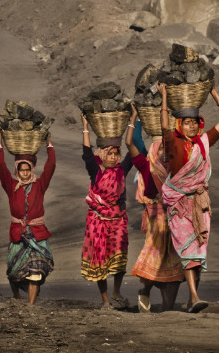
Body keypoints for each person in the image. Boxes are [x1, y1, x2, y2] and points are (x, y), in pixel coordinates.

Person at [158, 81, 219, 313]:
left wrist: (212, 92)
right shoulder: (173, 142)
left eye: (194, 122)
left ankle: (192, 300)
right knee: (189, 252)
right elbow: (163, 126)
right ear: (179, 124)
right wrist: (164, 97)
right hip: (179, 205)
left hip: (199, 204)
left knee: (198, 253)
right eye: (186, 122)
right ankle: (194, 295)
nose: (191, 126)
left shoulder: (203, 142)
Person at [126, 106, 184, 313]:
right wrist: (134, 118)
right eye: (160, 149)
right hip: (156, 220)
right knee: (156, 257)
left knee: (176, 262)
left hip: (176, 220)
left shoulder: (177, 168)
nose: (164, 154)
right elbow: (130, 143)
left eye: (167, 150)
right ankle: (145, 290)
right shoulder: (146, 166)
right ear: (153, 150)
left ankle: (168, 309)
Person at [0, 124, 55, 304]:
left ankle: (30, 306)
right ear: (17, 170)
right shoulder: (10, 186)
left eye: (27, 169)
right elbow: (1, 166)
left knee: (36, 271)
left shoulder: (40, 185)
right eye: (21, 170)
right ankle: (16, 298)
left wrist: (48, 143)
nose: (25, 173)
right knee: (13, 271)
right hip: (17, 233)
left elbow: (51, 165)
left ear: (31, 169)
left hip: (37, 234)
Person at [80, 114, 133, 309]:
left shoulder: (121, 170)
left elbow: (133, 153)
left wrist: (132, 121)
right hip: (98, 221)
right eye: (109, 154)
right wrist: (86, 126)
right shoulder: (96, 171)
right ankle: (105, 301)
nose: (113, 158)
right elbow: (86, 154)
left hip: (118, 220)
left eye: (115, 154)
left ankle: (116, 291)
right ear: (103, 154)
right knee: (100, 260)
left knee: (119, 255)